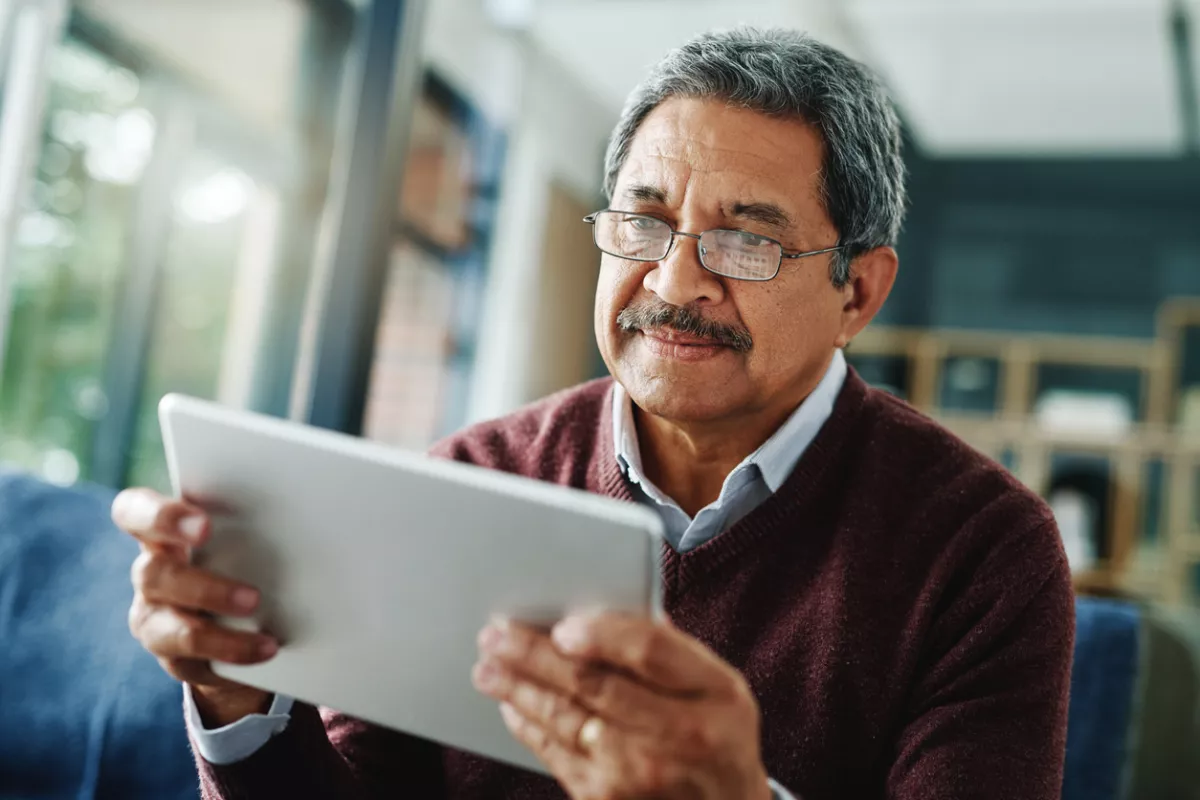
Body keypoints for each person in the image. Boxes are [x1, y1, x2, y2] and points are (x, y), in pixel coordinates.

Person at [113, 27, 1074, 800]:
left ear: (857, 293)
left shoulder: (986, 552)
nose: (674, 278)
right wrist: (238, 694)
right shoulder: (470, 477)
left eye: (744, 241)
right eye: (643, 221)